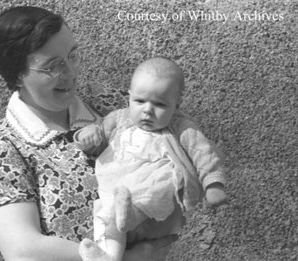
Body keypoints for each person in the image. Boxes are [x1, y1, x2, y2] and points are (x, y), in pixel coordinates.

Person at [0, 6, 176, 261]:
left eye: (72, 55)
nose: (71, 72)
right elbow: (22, 251)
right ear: (18, 74)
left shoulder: (106, 102)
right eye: (52, 66)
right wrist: (125, 259)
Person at [74, 57, 228, 261]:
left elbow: (202, 152)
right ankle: (106, 256)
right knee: (107, 215)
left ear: (176, 105)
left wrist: (213, 183)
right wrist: (87, 137)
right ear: (129, 96)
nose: (147, 110)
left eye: (159, 104)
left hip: (153, 185)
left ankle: (127, 218)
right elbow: (99, 139)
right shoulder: (118, 119)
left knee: (150, 190)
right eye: (139, 101)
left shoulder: (181, 127)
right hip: (119, 186)